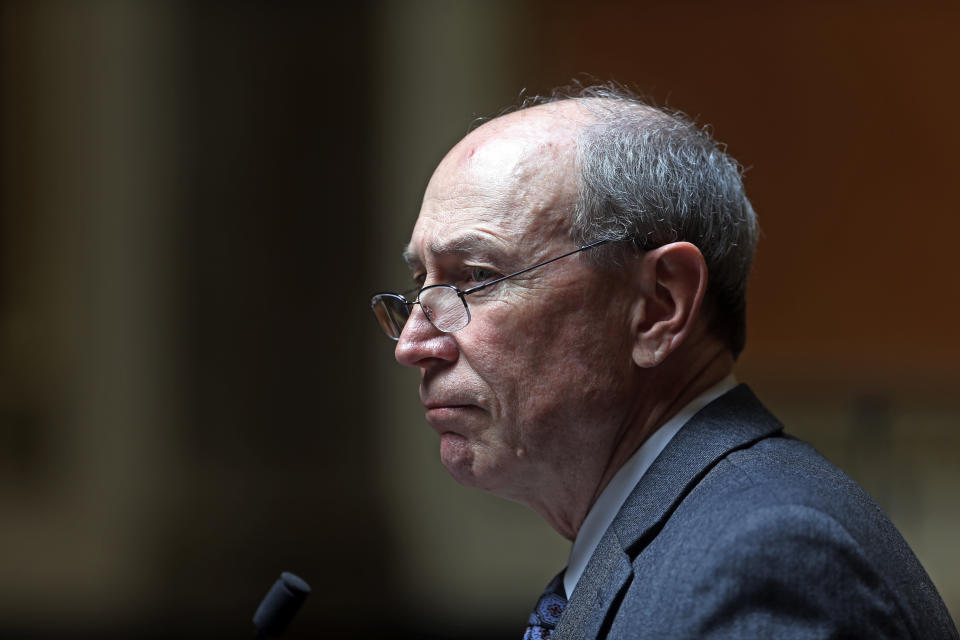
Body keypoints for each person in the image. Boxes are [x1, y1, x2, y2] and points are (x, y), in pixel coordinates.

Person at [370, 84, 958, 639]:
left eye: (476, 277)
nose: (413, 345)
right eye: (421, 282)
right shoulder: (688, 534)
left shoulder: (762, 560)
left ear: (659, 306)